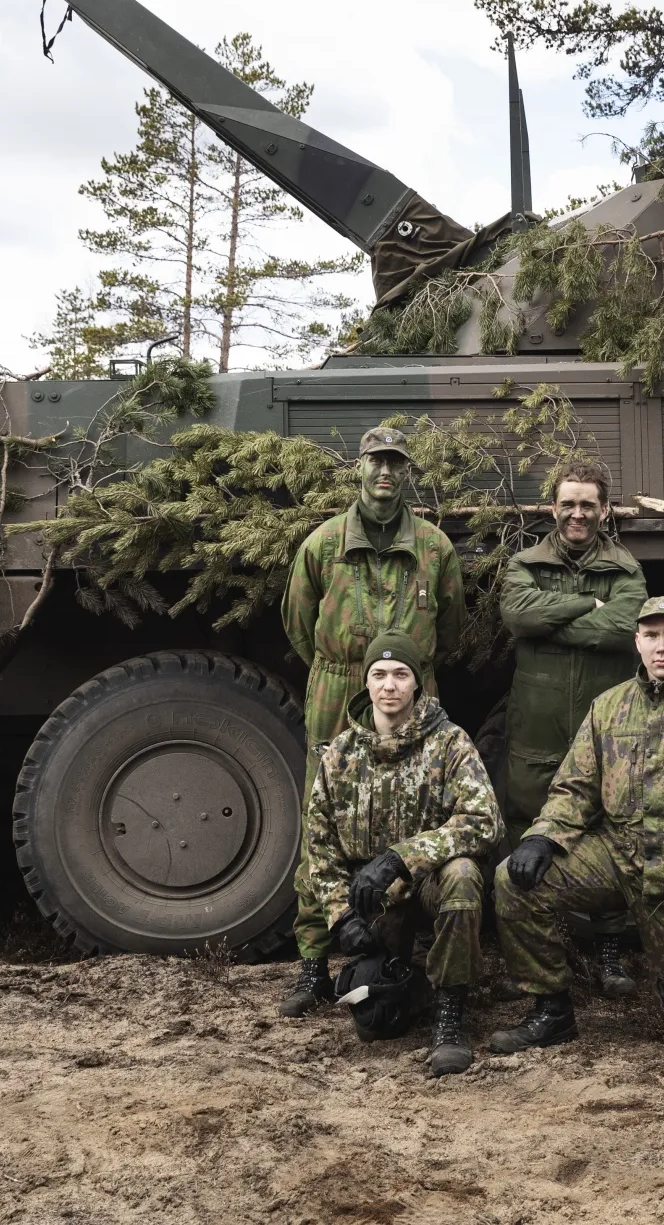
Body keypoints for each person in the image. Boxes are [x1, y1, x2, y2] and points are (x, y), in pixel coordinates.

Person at [490, 596, 664, 1052]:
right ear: (637, 642)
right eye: (652, 636)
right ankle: (552, 1011)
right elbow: (576, 786)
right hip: (615, 850)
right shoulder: (608, 708)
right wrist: (543, 837)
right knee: (514, 880)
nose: (662, 647)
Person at [279, 424, 465, 1017]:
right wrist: (351, 675)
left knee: (420, 815)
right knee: (324, 825)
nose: (386, 472)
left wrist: (402, 678)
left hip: (413, 690)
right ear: (358, 467)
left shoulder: (434, 548)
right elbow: (298, 625)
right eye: (376, 461)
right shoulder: (324, 544)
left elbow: (453, 629)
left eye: (397, 463)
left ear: (407, 472)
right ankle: (312, 964)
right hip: (339, 687)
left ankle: (412, 956)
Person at [283, 632, 500, 1077]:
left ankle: (450, 1019)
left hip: (430, 886)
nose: (389, 686)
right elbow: (319, 849)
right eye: (379, 675)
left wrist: (403, 857)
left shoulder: (449, 743)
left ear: (417, 684)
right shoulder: (339, 754)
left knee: (462, 874)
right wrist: (342, 916)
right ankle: (414, 982)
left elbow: (485, 821)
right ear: (365, 684)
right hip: (376, 907)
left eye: (401, 675)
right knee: (377, 1024)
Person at [497, 456, 648, 995]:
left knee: (607, 829)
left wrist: (552, 622)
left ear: (604, 511)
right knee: (525, 825)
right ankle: (534, 950)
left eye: (588, 504)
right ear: (553, 508)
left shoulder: (627, 571)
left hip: (602, 731)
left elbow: (622, 629)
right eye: (568, 504)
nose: (577, 514)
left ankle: (609, 949)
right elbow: (518, 617)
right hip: (536, 729)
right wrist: (587, 601)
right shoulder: (524, 564)